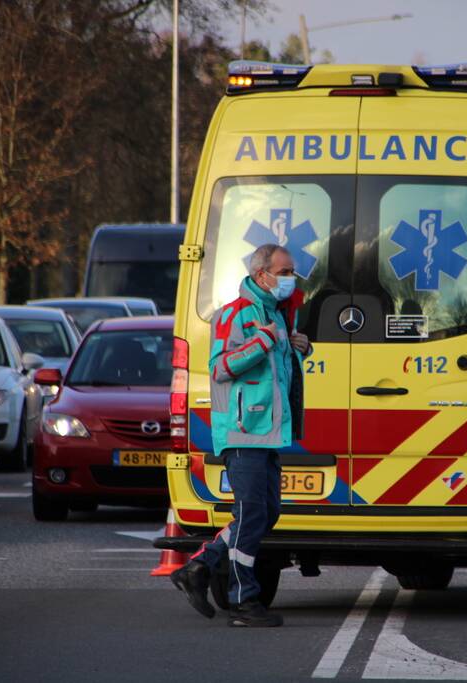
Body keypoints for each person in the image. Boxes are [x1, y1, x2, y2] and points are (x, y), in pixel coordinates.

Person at [171, 244, 311, 627]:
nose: (290, 279)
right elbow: (221, 367)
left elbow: (273, 375)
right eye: (283, 272)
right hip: (244, 431)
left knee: (265, 514)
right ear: (260, 273)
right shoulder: (235, 314)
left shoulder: (277, 315)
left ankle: (198, 568)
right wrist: (265, 341)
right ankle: (242, 601)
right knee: (250, 516)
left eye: (292, 272)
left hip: (268, 433)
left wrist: (299, 349)